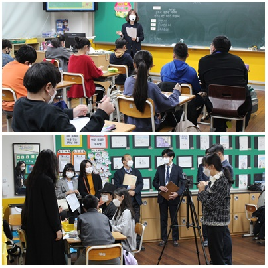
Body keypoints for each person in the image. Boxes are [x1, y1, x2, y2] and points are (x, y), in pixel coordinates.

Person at [12, 62, 114, 132]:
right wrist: (101, 113)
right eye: (54, 87)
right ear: (48, 87)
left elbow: (39, 114)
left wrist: (72, 112)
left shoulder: (19, 104)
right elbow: (81, 137)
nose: (54, 91)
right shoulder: (51, 112)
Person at [198, 35, 252, 132]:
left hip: (214, 106)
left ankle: (219, 129)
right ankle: (240, 130)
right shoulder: (238, 61)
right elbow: (245, 81)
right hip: (238, 106)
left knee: (213, 97)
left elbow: (203, 82)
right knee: (248, 99)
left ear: (213, 47)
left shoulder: (204, 61)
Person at [21, 149, 65, 264]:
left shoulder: (31, 179)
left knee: (35, 257)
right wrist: (57, 228)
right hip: (45, 228)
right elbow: (50, 208)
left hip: (33, 224)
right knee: (50, 257)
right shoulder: (46, 181)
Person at [123, 50, 181, 131]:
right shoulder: (152, 87)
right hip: (149, 127)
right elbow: (169, 103)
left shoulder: (127, 82)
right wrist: (176, 92)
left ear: (134, 64)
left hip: (130, 126)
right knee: (172, 115)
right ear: (151, 66)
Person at [197, 153, 232, 265]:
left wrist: (202, 190)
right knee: (213, 251)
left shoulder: (221, 181)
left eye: (205, 166)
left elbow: (210, 204)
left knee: (217, 254)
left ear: (212, 166)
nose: (204, 169)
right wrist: (202, 191)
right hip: (211, 222)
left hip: (217, 222)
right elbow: (203, 199)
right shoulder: (213, 180)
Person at [160, 42, 205, 125]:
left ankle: (170, 118)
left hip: (168, 102)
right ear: (187, 55)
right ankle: (190, 122)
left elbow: (163, 84)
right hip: (187, 104)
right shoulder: (191, 71)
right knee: (202, 99)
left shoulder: (164, 68)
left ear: (173, 55)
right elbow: (197, 89)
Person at [152, 149, 185, 247]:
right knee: (163, 219)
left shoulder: (178, 169)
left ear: (172, 157)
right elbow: (154, 182)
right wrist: (159, 187)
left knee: (174, 219)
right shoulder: (160, 168)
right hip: (163, 197)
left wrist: (178, 193)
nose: (164, 158)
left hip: (173, 197)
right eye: (163, 157)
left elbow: (183, 184)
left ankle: (175, 239)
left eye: (166, 156)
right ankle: (163, 239)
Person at [207, 143, 233, 264]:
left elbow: (223, 190)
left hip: (221, 209)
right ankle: (219, 260)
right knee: (217, 239)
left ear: (219, 154)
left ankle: (226, 260)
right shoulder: (219, 167)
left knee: (224, 235)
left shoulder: (226, 168)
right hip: (215, 209)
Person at [75, 194, 120, 265]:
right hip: (112, 256)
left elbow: (80, 234)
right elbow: (110, 232)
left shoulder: (81, 217)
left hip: (91, 256)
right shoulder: (104, 217)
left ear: (84, 208)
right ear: (97, 206)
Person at [113, 154, 144, 249]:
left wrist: (134, 191)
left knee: (136, 222)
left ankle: (137, 244)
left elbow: (140, 184)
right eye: (128, 159)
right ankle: (125, 242)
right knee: (125, 222)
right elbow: (117, 186)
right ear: (123, 161)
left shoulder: (136, 171)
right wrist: (128, 189)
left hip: (135, 200)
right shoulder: (118, 173)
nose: (131, 160)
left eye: (131, 159)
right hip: (125, 202)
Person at [67, 37, 104, 103]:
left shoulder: (71, 57)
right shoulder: (86, 58)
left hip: (72, 88)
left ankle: (89, 108)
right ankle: (98, 110)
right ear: (86, 47)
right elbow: (96, 74)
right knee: (102, 89)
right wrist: (100, 69)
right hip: (84, 88)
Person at [2, 45, 37, 112]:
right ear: (27, 62)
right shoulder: (27, 69)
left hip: (4, 105)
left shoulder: (6, 66)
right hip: (21, 106)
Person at [111, 188, 137, 252]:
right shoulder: (119, 209)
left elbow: (123, 230)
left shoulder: (127, 212)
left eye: (115, 197)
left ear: (122, 197)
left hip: (126, 244)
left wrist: (111, 228)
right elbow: (113, 221)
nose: (114, 199)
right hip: (121, 241)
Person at [196, 149, 209, 247]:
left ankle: (211, 238)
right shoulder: (201, 166)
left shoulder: (218, 167)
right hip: (204, 192)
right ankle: (206, 238)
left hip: (212, 193)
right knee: (205, 217)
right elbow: (199, 179)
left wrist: (208, 183)